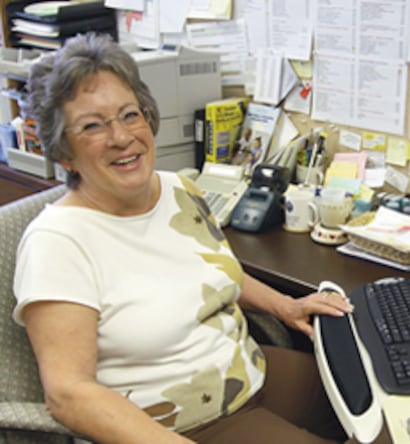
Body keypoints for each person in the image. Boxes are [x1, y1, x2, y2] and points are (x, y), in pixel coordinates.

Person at [12, 33, 352, 444]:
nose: (121, 137)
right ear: (63, 153)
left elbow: (211, 272)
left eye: (129, 115)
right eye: (92, 126)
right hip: (184, 424)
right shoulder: (57, 242)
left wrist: (285, 305)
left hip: (249, 370)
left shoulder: (178, 189)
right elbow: (68, 395)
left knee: (389, 408)